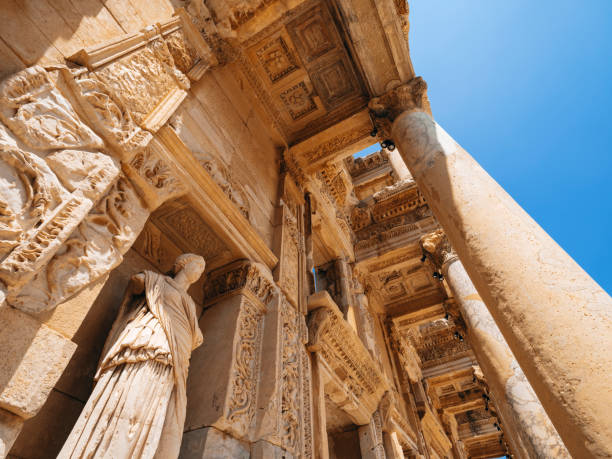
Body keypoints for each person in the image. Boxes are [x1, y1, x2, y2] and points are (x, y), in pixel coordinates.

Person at [59, 254, 205, 459]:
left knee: (152, 410)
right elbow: (136, 283)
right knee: (129, 395)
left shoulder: (189, 302)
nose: (199, 271)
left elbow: (196, 336)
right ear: (182, 264)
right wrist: (149, 282)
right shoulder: (157, 281)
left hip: (174, 357)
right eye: (197, 265)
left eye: (202, 269)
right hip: (147, 344)